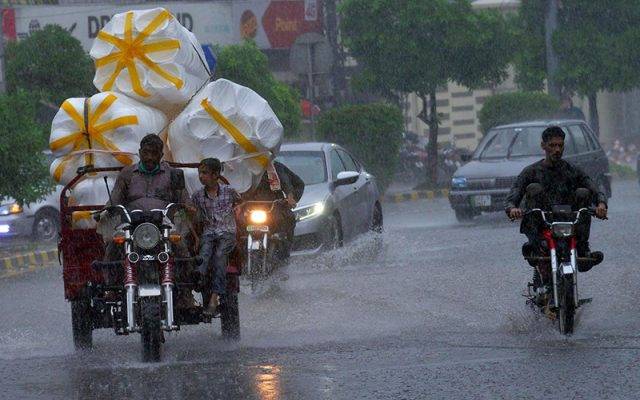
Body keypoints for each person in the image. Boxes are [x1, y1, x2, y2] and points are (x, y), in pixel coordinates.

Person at [505, 126, 608, 277]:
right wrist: (512, 208)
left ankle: (583, 249)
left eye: (560, 145)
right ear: (543, 146)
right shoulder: (531, 171)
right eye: (552, 145)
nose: (557, 149)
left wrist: (601, 204)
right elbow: (514, 194)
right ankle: (535, 247)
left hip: (568, 221)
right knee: (533, 188)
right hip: (543, 223)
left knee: (583, 192)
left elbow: (594, 188)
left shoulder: (572, 170)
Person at [191, 158, 241, 317]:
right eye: (200, 173)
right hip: (208, 233)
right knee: (203, 255)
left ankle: (214, 297)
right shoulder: (197, 196)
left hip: (227, 233)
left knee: (220, 256)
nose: (201, 176)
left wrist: (240, 211)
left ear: (216, 175)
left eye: (204, 173)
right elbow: (194, 215)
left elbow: (241, 203)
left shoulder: (229, 191)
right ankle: (198, 279)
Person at [242, 160, 304, 257]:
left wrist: (291, 199)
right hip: (249, 211)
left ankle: (283, 253)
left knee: (288, 220)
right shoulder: (242, 167)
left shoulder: (276, 167)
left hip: (274, 209)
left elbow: (297, 184)